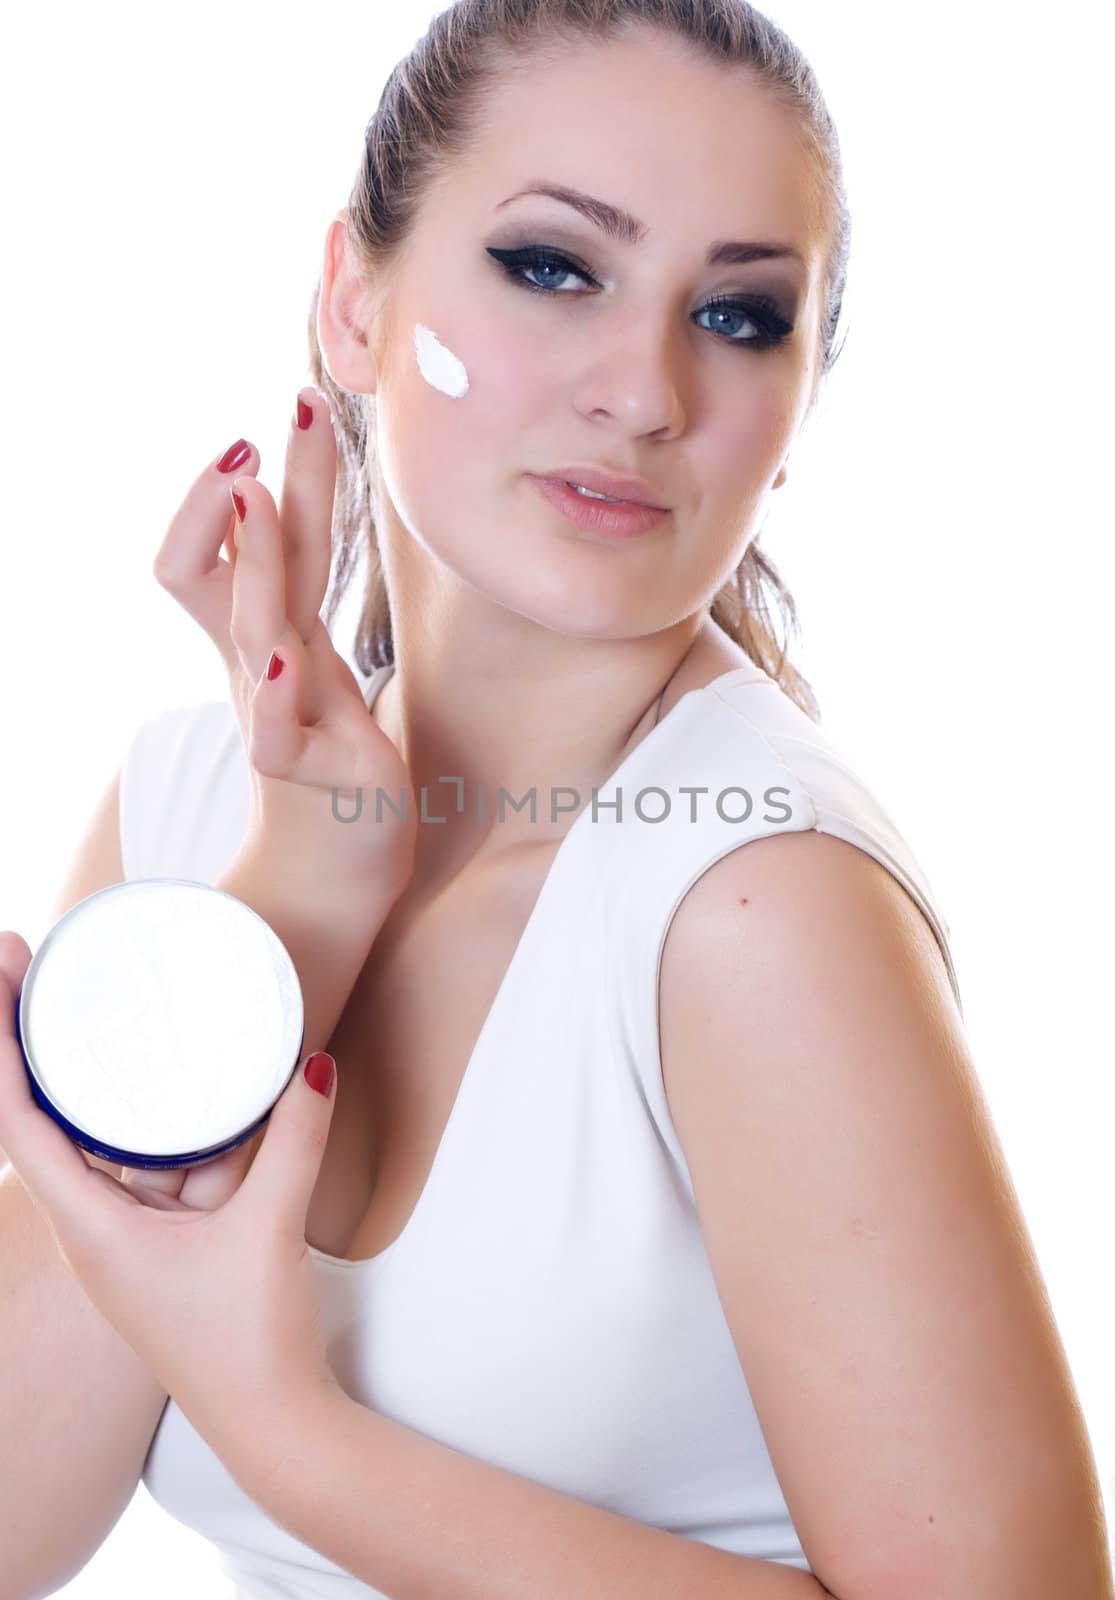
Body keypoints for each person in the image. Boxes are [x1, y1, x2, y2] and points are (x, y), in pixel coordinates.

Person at [1, 2, 1111, 1597]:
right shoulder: (189, 814)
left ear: (797, 422)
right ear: (351, 302)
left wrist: (282, 1426)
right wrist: (299, 902)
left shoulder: (751, 901)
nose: (647, 391)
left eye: (738, 316)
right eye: (554, 267)